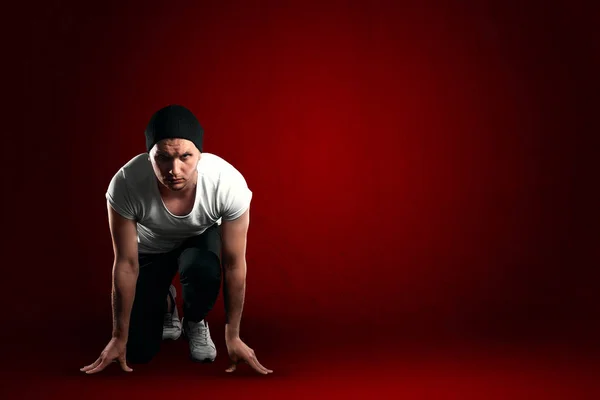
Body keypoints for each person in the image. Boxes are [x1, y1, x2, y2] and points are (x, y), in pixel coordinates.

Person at [80, 104, 272, 375]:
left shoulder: (226, 183)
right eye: (163, 158)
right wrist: (117, 336)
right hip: (150, 250)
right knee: (138, 351)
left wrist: (233, 335)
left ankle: (194, 321)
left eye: (185, 156)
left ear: (200, 155)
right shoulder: (125, 183)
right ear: (149, 157)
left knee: (201, 267)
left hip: (198, 244)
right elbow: (125, 263)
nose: (175, 169)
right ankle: (167, 302)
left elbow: (233, 264)